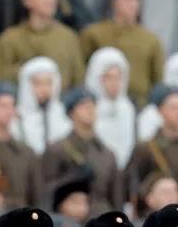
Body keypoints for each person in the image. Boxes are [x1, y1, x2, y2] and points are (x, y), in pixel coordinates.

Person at [42, 87, 124, 215]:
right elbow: (46, 191)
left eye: (92, 106)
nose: (90, 110)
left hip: (102, 218)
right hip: (69, 219)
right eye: (83, 106)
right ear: (71, 113)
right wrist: (72, 179)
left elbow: (116, 197)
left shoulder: (107, 153)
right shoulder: (57, 149)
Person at [0, 0, 85, 90]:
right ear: (26, 0)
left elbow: (78, 78)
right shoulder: (10, 39)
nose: (50, 1)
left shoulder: (68, 36)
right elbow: (3, 77)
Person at [126, 85, 178, 207]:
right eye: (173, 108)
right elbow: (133, 186)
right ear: (160, 110)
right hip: (162, 213)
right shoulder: (147, 148)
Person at [84, 47, 136, 169]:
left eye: (118, 77)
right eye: (108, 77)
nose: (114, 83)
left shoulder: (127, 108)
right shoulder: (87, 107)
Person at [12, 56, 72, 154]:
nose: (44, 89)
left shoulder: (63, 114)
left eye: (48, 83)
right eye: (38, 84)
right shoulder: (18, 118)